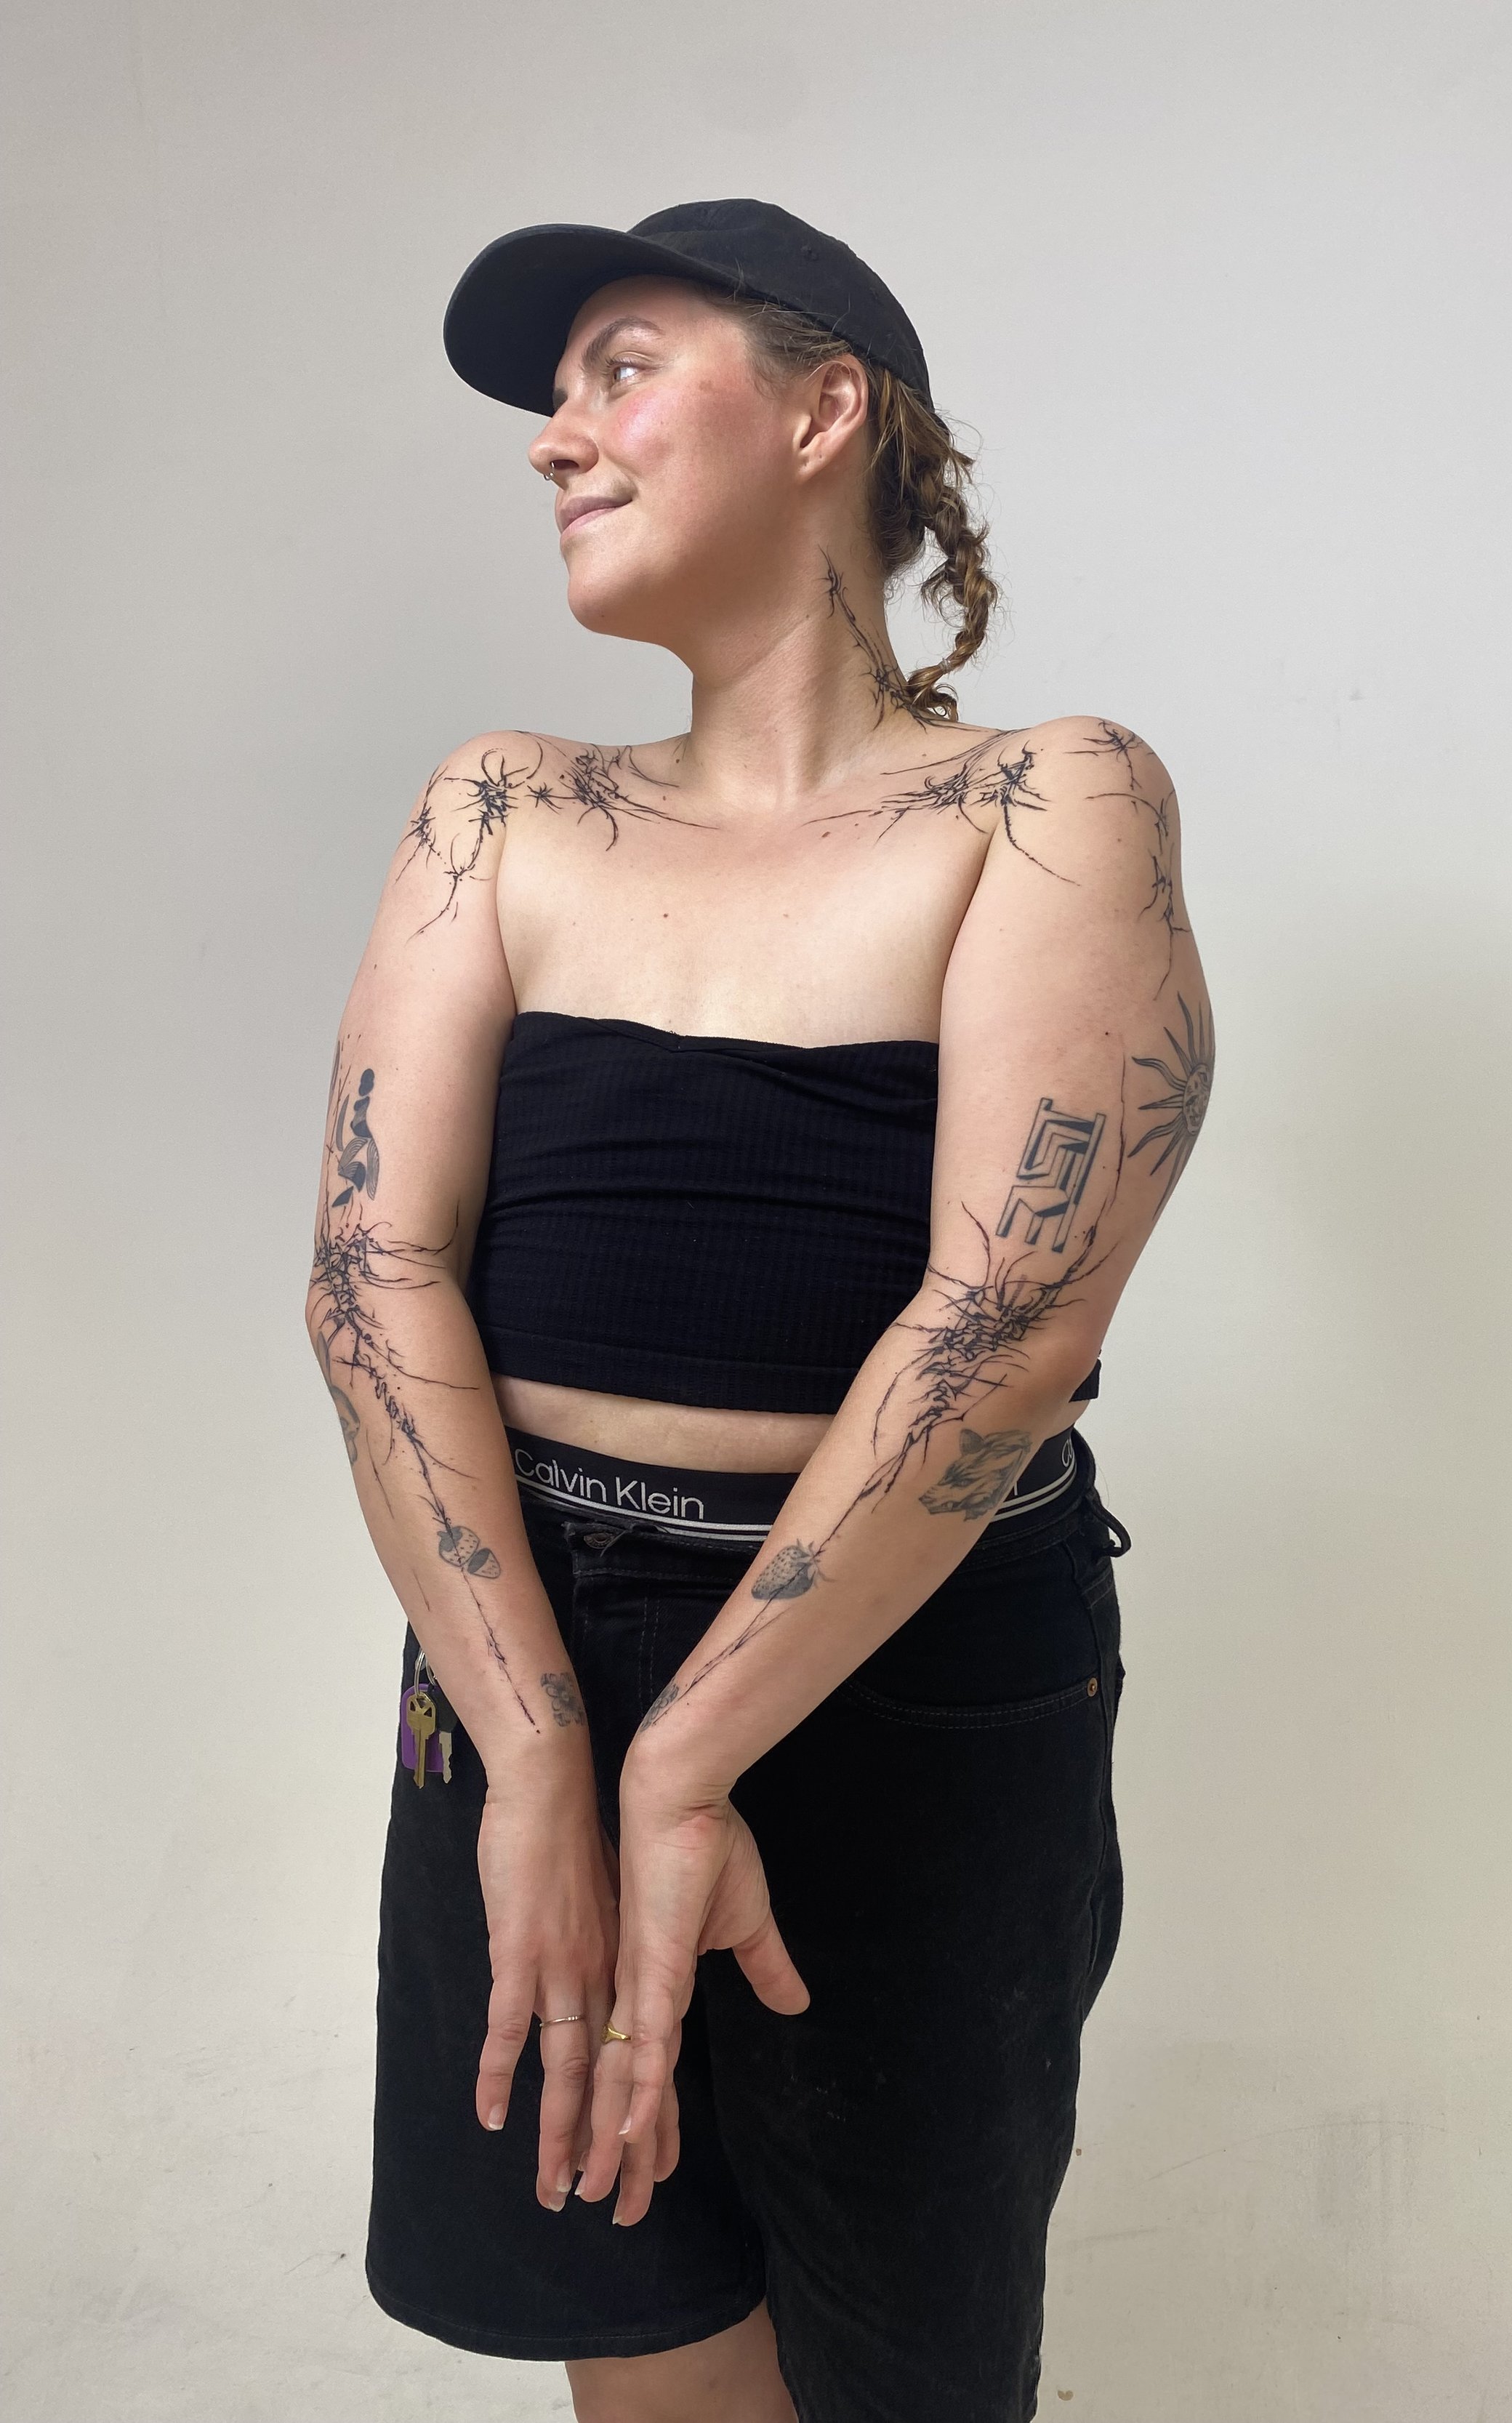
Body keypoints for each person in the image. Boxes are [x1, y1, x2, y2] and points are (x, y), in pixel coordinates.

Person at [307, 197, 1213, 2423]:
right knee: (630, 2307)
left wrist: (689, 1762)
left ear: (825, 414)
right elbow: (372, 1265)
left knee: (888, 2361)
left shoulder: (1043, 799)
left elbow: (1001, 1316)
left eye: (618, 367)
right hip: (524, 1625)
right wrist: (543, 1751)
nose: (553, 440)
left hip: (900, 1665)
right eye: (554, 398)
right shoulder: (502, 808)